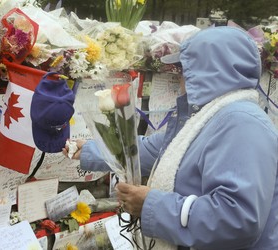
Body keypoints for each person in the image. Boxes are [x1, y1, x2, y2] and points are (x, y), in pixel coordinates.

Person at [63, 26, 278, 250]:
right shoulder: (206, 118)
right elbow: (151, 150)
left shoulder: (241, 123)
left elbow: (237, 220)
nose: (178, 78)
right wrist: (88, 149)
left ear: (207, 71)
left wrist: (150, 205)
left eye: (183, 69)